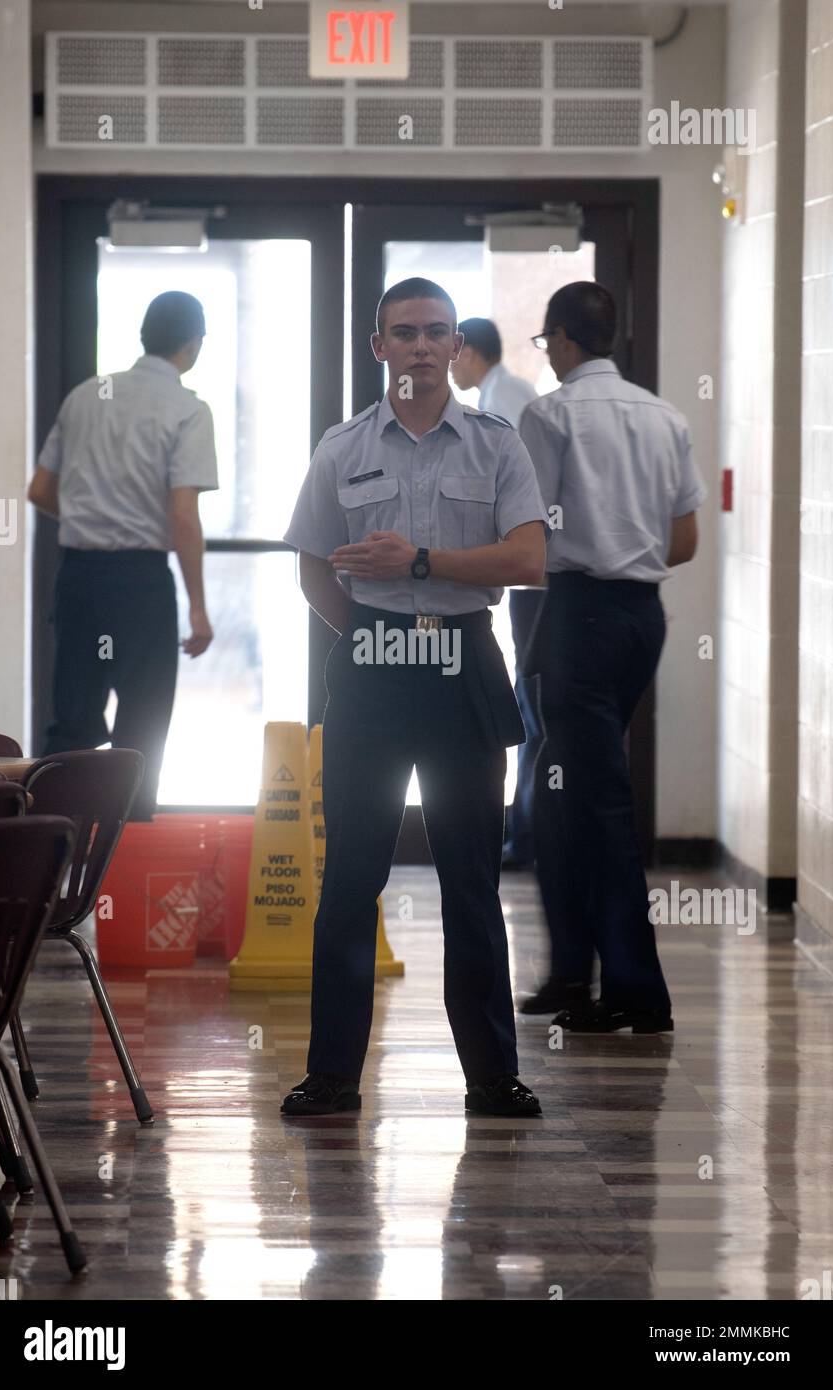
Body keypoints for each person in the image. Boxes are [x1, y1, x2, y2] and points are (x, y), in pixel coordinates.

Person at [281, 277, 548, 1118]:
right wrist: (368, 626)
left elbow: (527, 560)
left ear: (457, 349)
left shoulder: (497, 445)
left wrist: (421, 565)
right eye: (406, 332)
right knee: (350, 880)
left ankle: (492, 1076)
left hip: (461, 665)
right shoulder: (341, 448)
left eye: (439, 332)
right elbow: (314, 565)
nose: (424, 346)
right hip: (370, 668)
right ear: (379, 348)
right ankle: (332, 1076)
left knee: (471, 878)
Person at [518, 281, 707, 1029]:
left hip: (576, 619)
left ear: (563, 339)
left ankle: (634, 991)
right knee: (562, 795)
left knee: (594, 801)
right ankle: (571, 974)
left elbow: (530, 535)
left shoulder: (551, 415)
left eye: (545, 342)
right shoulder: (665, 416)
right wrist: (628, 543)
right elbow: (686, 540)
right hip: (639, 619)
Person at [28, 290, 218, 820]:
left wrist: (95, 515)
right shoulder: (188, 410)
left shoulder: (88, 395)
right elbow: (183, 515)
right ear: (193, 343)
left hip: (80, 578)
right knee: (142, 729)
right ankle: (126, 862)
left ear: (144, 337)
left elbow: (40, 491)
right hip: (140, 585)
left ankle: (54, 864)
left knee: (70, 724)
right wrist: (199, 608)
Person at [451, 317, 543, 869]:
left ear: (469, 353)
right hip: (525, 570)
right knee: (529, 702)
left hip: (531, 569)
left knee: (529, 704)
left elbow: (503, 489)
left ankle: (527, 836)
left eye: (453, 352)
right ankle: (526, 833)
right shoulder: (503, 393)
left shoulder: (504, 402)